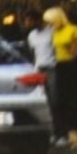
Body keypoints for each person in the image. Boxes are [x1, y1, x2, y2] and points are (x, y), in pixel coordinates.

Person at [43, 6, 77, 147]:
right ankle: (68, 133)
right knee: (62, 101)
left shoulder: (73, 30)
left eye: (50, 21)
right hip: (58, 66)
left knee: (75, 100)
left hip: (72, 65)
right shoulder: (52, 32)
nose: (48, 24)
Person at [24, 10, 59, 141]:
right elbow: (33, 53)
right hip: (38, 69)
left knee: (54, 100)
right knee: (43, 101)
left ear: (36, 20)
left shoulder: (51, 32)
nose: (27, 24)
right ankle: (49, 132)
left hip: (51, 67)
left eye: (29, 21)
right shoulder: (31, 36)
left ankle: (59, 131)